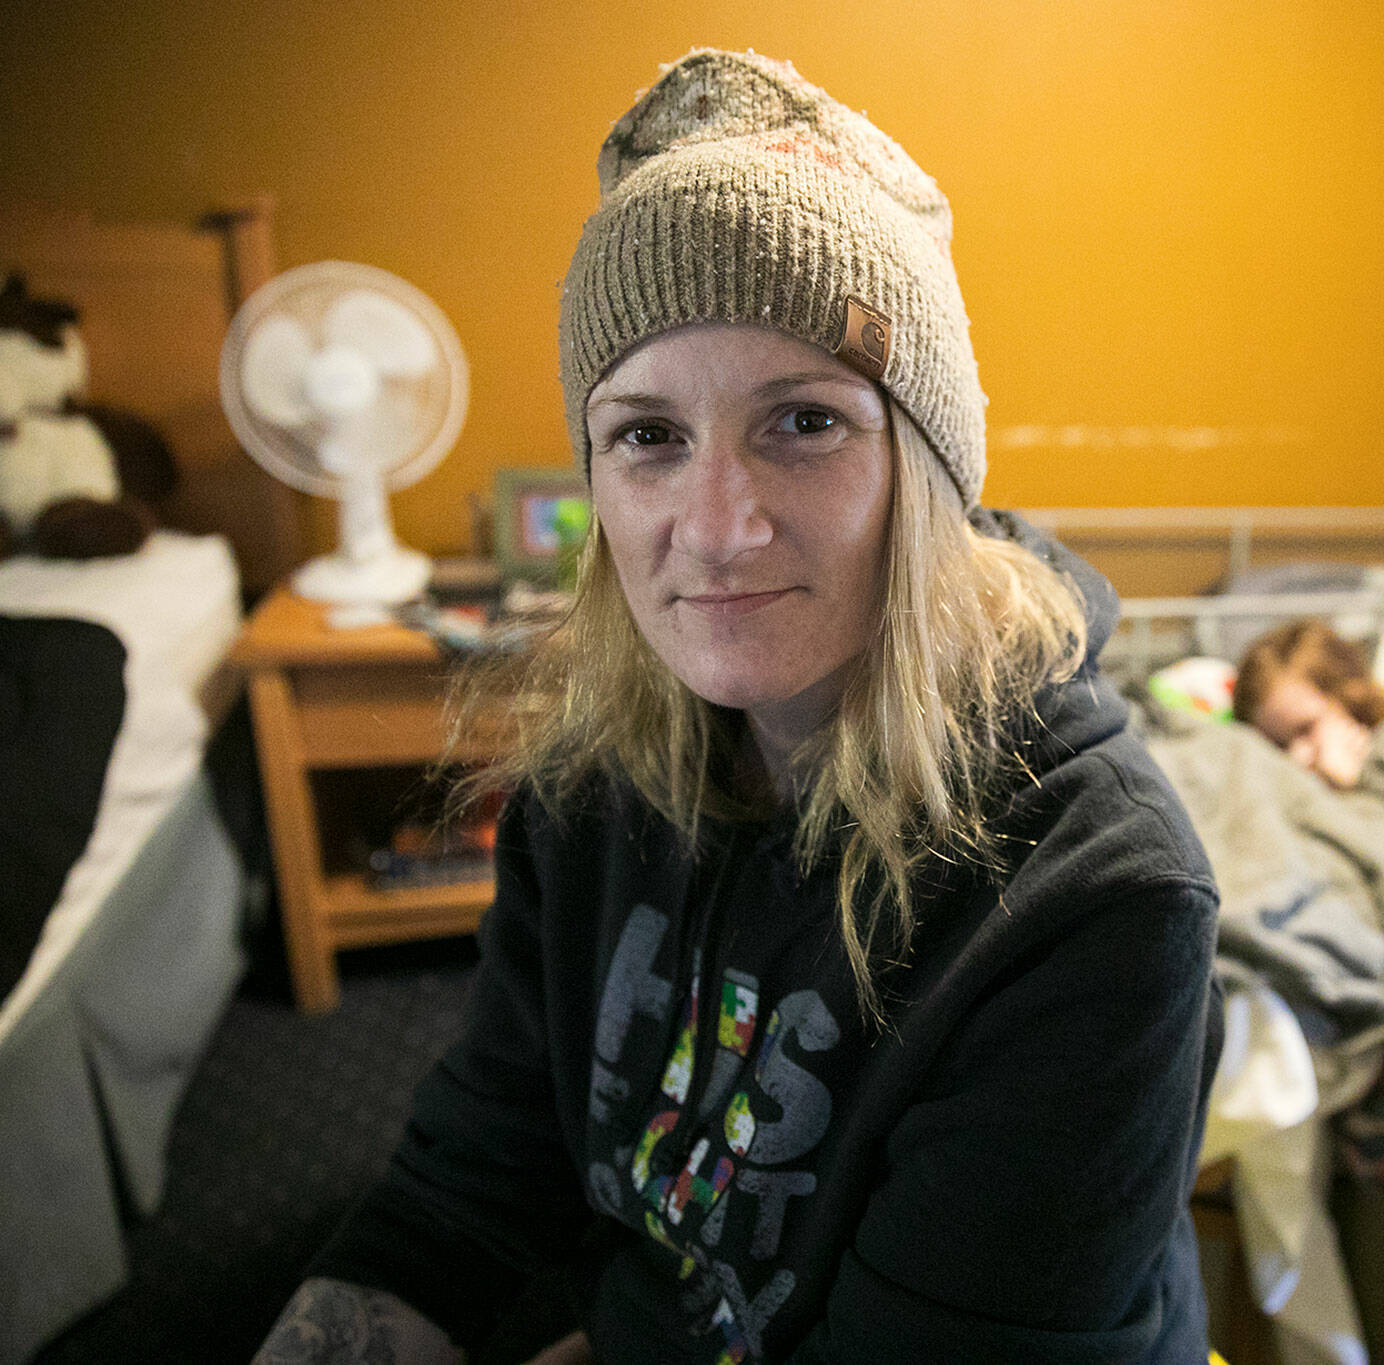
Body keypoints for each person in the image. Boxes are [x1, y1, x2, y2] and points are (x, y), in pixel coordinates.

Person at [253, 49, 1221, 1364]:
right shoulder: (593, 782)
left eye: (805, 422)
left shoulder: (1095, 901)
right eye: (649, 435)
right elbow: (473, 1174)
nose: (713, 531)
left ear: (925, 473)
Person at [1232, 619, 1384, 790]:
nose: (1297, 758)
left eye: (1306, 729)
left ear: (1353, 706)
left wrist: (1352, 788)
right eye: (1277, 746)